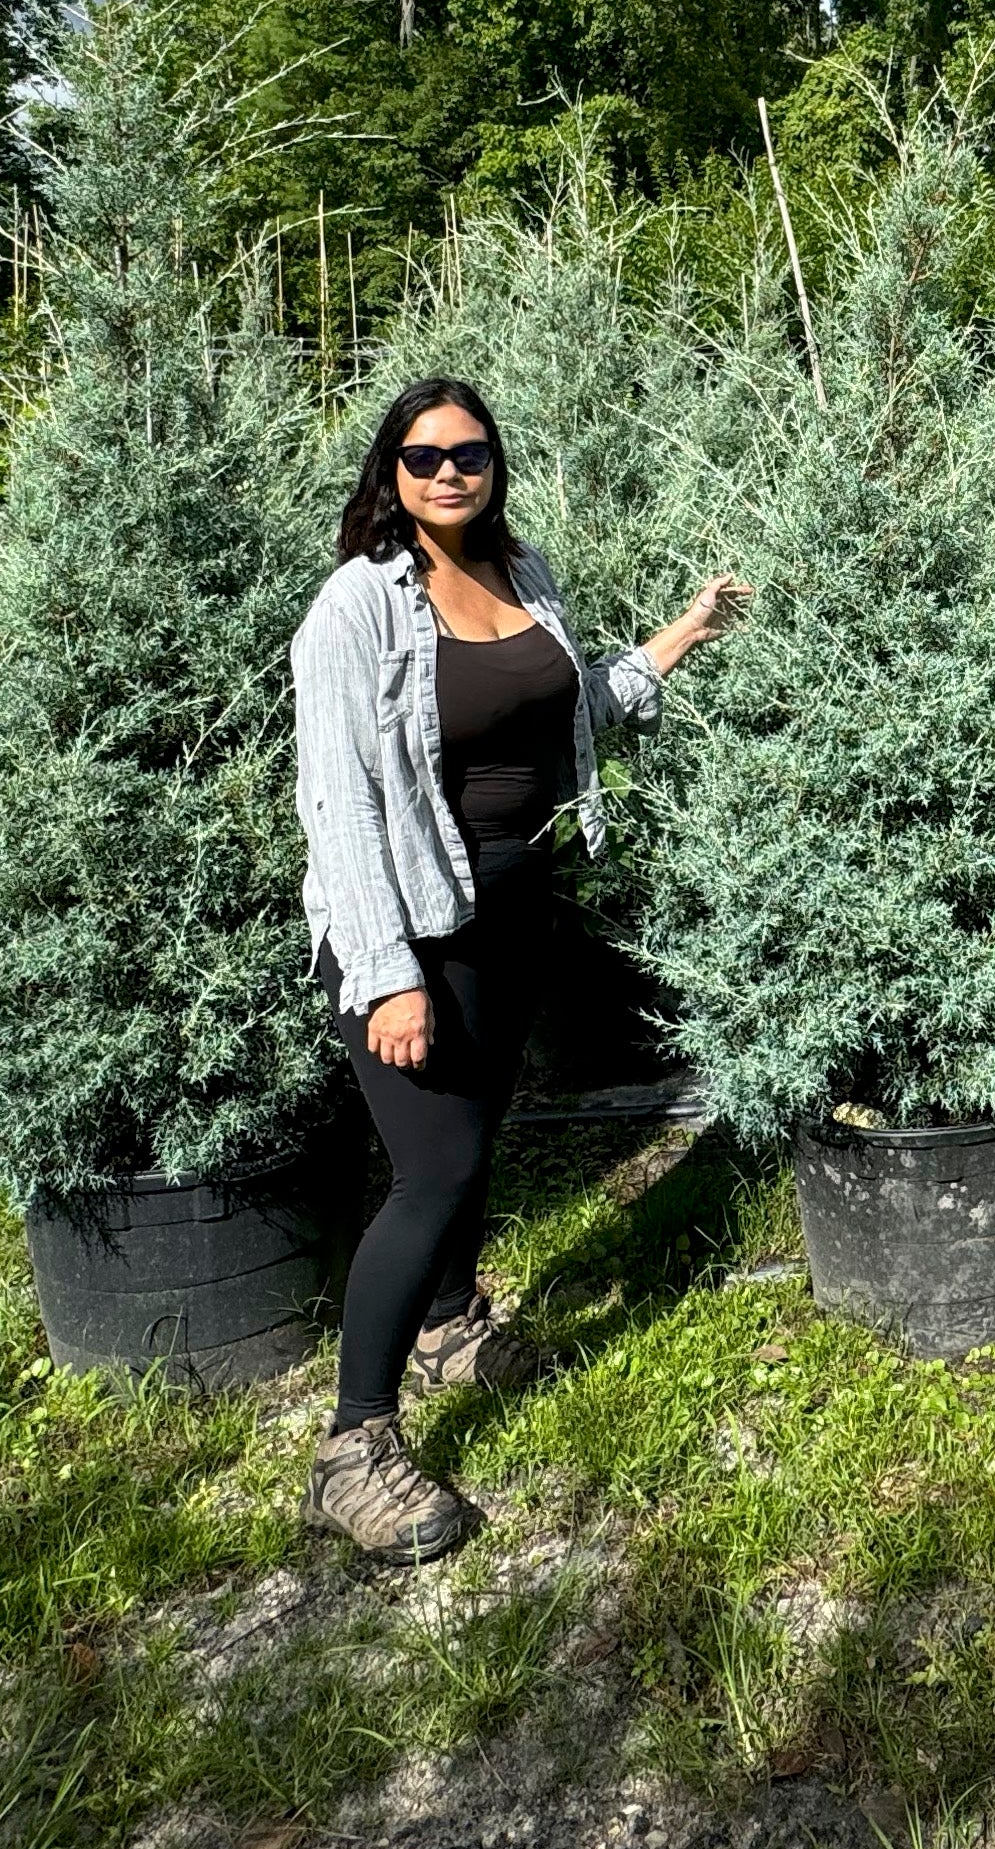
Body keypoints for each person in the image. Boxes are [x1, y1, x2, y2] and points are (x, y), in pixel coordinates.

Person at [292, 375, 742, 1564]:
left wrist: (681, 636)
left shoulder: (521, 573)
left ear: (495, 465)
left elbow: (570, 707)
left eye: (470, 453)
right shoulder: (356, 607)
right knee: (435, 1170)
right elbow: (338, 802)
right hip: (413, 923)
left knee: (476, 1142)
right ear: (390, 472)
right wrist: (386, 973)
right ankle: (352, 1445)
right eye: (424, 455)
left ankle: (449, 1327)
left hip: (514, 909)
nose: (449, 472)